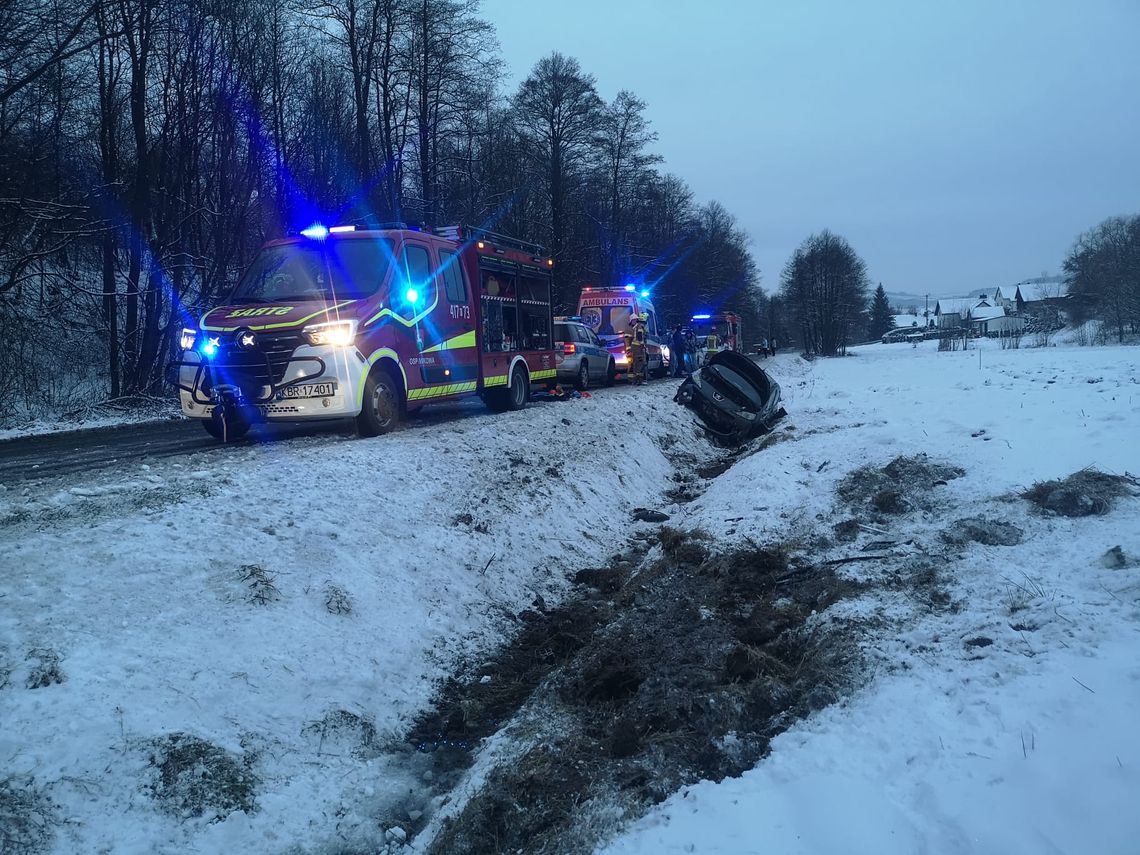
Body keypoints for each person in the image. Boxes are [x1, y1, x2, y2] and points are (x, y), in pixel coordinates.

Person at [629, 313, 648, 384]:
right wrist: (642, 345)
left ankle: (636, 380)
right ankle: (639, 380)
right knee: (640, 363)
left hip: (636, 347)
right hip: (638, 348)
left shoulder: (637, 326)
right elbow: (640, 336)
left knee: (637, 363)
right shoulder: (640, 326)